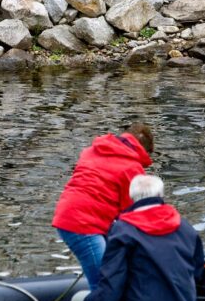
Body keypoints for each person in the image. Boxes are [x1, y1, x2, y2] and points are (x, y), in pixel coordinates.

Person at [74, 174, 204, 301]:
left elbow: (112, 279)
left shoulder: (123, 231)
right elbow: (198, 273)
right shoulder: (186, 228)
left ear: (132, 198)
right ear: (160, 195)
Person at [52, 123, 153, 289]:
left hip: (66, 214)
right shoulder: (132, 168)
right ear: (145, 150)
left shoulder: (92, 151)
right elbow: (132, 215)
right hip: (83, 226)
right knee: (104, 284)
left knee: (107, 275)